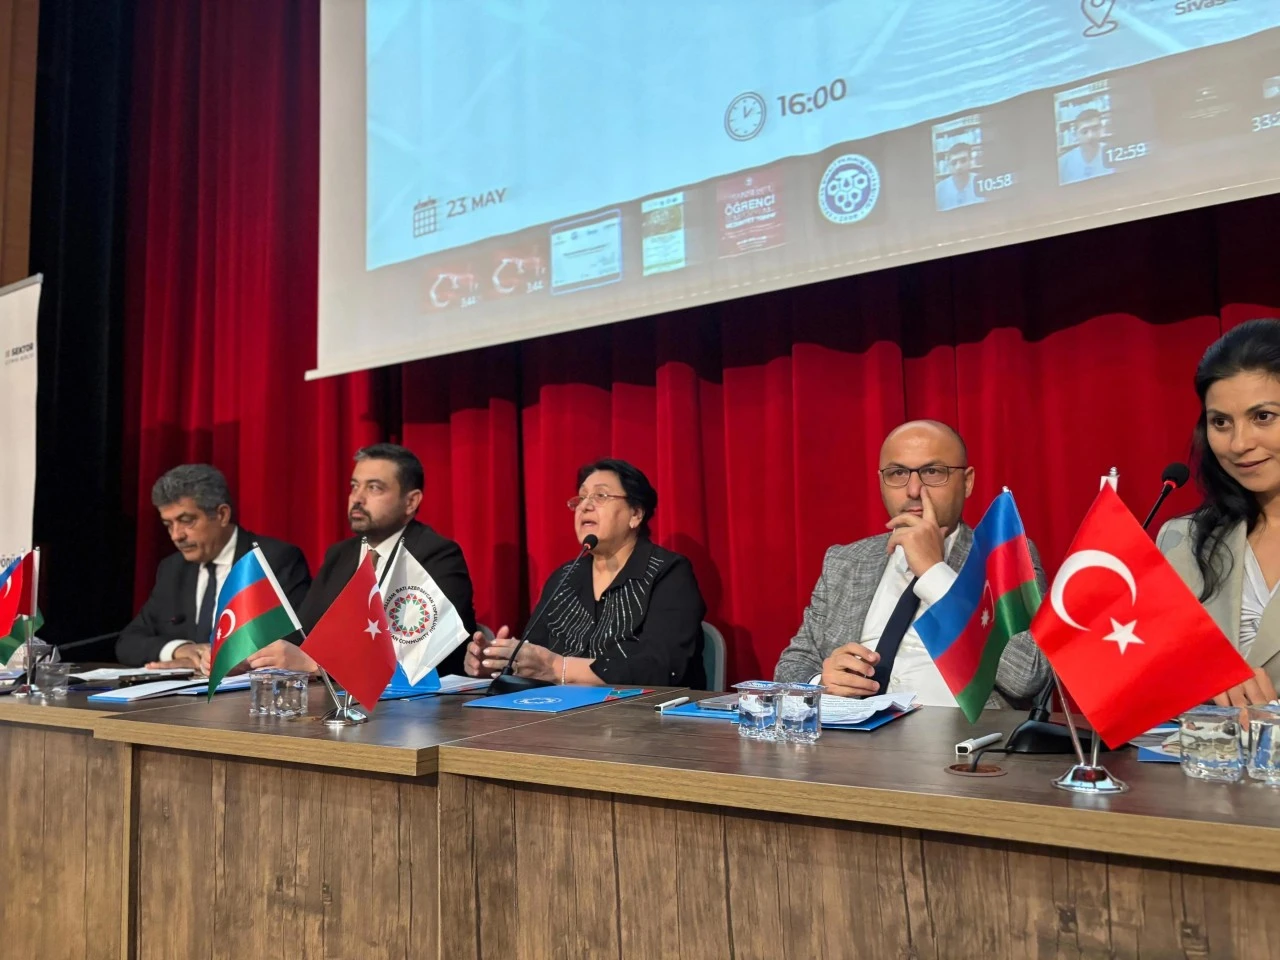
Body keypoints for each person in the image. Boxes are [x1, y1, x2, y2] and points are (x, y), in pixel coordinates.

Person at [774, 421, 1048, 705]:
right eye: (898, 473)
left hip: (955, 733)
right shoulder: (846, 562)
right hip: (854, 730)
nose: (914, 490)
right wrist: (821, 684)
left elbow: (1026, 677)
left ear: (967, 482)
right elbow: (792, 666)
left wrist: (934, 573)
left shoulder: (1004, 557)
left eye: (932, 472)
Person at [464, 458, 706, 687]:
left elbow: (660, 668)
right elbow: (534, 656)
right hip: (560, 711)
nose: (585, 506)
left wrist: (558, 667)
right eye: (581, 498)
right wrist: (499, 663)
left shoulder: (668, 573)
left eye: (601, 496)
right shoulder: (564, 578)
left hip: (640, 713)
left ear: (635, 514)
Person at [248, 443, 478, 676]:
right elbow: (303, 636)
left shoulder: (437, 555)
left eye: (374, 488)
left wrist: (318, 665)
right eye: (354, 486)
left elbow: (415, 653)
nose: (357, 498)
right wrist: (254, 658)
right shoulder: (340, 555)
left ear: (411, 502)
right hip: (329, 695)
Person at [1158, 318, 1280, 706]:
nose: (1239, 443)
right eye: (1221, 422)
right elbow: (1154, 686)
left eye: (1263, 416)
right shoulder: (1180, 541)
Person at [116, 464, 311, 670]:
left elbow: (293, 643)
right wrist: (182, 649)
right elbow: (128, 642)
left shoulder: (273, 560)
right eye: (168, 525)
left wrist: (220, 660)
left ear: (222, 515)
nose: (176, 535)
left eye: (186, 521)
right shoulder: (172, 569)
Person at [1057, 107, 1113, 184]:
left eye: (1095, 129)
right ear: (1075, 135)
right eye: (1084, 131)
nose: (1091, 136)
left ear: (1102, 129)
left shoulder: (1112, 153)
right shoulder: (1062, 163)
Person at [934, 142, 984, 211]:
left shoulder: (982, 182)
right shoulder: (938, 190)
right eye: (954, 163)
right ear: (948, 166)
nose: (958, 167)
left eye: (963, 161)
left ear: (971, 161)